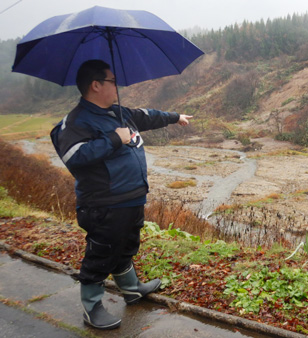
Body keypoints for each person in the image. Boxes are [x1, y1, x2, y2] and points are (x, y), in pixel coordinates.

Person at [50, 59, 192, 330]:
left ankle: (132, 289)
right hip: (104, 203)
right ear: (95, 85)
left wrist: (176, 117)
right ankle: (92, 308)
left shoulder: (119, 112)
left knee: (126, 245)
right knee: (102, 253)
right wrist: (115, 139)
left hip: (131, 197)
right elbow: (74, 157)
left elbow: (147, 116)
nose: (118, 85)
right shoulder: (75, 122)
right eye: (113, 81)